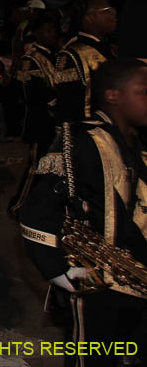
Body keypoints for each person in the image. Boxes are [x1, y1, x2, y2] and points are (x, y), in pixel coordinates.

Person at [19, 59, 147, 364]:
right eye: (143, 91)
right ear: (113, 95)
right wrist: (59, 271)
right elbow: (37, 211)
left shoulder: (137, 140)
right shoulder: (79, 141)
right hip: (99, 282)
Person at [7, 15, 60, 218]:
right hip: (41, 120)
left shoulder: (55, 55)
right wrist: (54, 105)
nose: (52, 34)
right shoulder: (32, 59)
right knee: (36, 166)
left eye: (54, 30)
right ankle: (19, 205)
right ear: (36, 33)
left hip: (55, 119)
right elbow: (34, 93)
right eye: (47, 30)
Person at [54, 0, 117, 122]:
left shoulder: (110, 48)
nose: (113, 14)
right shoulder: (73, 54)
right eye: (106, 10)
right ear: (89, 18)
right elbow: (68, 105)